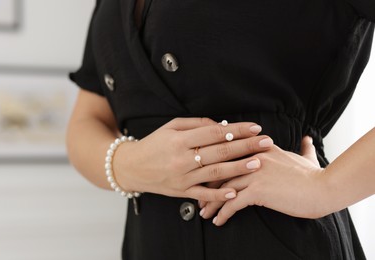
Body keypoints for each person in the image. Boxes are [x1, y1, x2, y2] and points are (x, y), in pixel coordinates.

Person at [67, 0, 374, 259]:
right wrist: (130, 163)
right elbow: (87, 120)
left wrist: (325, 188)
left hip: (278, 239)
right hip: (149, 243)